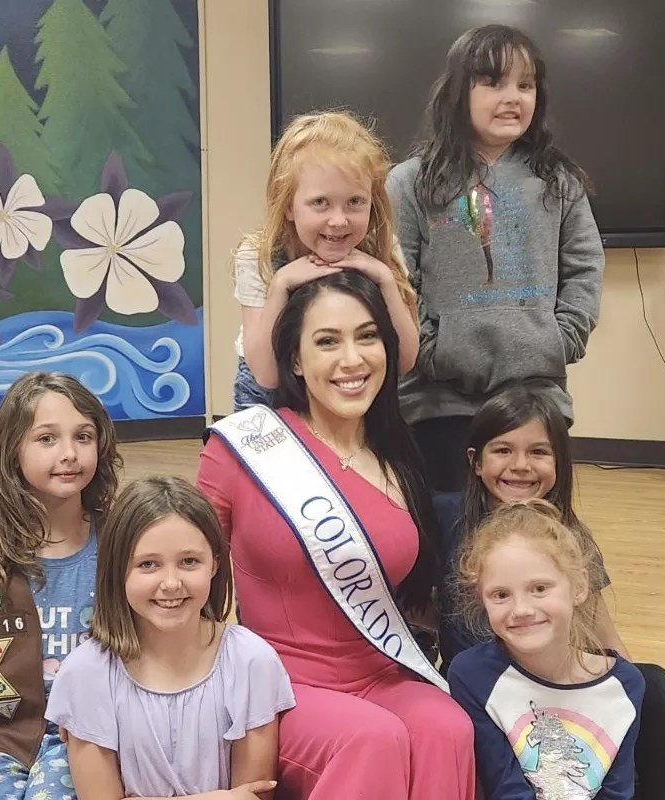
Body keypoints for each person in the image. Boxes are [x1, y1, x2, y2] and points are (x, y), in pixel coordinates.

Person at [198, 270, 475, 800]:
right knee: (373, 738)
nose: (352, 359)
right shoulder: (244, 450)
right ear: (296, 361)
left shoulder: (398, 457)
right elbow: (191, 574)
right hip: (277, 687)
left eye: (367, 336)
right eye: (327, 341)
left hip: (378, 671)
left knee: (447, 727)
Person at [438, 381, 665, 797]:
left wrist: (648, 720)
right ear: (476, 462)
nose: (520, 465)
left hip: (556, 686)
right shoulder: (445, 520)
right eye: (503, 450)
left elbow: (604, 639)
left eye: (538, 452)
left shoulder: (570, 536)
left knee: (651, 684)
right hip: (485, 692)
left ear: (560, 463)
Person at [387, 24, 605, 491]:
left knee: (531, 536)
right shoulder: (408, 183)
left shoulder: (559, 181)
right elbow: (397, 278)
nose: (513, 97)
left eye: (525, 85)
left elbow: (585, 267)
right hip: (438, 405)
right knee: (448, 533)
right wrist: (431, 352)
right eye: (493, 82)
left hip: (537, 399)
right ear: (456, 92)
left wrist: (559, 340)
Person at [46, 476, 296, 799]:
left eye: (189, 561)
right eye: (148, 564)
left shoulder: (252, 662)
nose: (171, 583)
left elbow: (254, 795)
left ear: (215, 564)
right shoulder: (86, 674)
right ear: (117, 569)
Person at [0, 372, 122, 800]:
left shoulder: (121, 545)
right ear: (12, 451)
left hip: (89, 733)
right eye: (47, 439)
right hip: (1, 738)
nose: (70, 453)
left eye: (84, 436)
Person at [449, 500, 644, 799]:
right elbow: (504, 787)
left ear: (579, 587)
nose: (522, 609)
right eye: (501, 595)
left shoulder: (626, 686)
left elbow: (618, 791)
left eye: (539, 588)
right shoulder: (472, 675)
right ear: (482, 600)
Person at [232, 110, 419, 411]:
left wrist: (384, 278)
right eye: (320, 203)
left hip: (350, 392)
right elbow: (266, 376)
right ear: (288, 206)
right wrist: (281, 284)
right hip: (270, 403)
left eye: (355, 202)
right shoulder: (260, 256)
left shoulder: (381, 249)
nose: (339, 220)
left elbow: (405, 361)